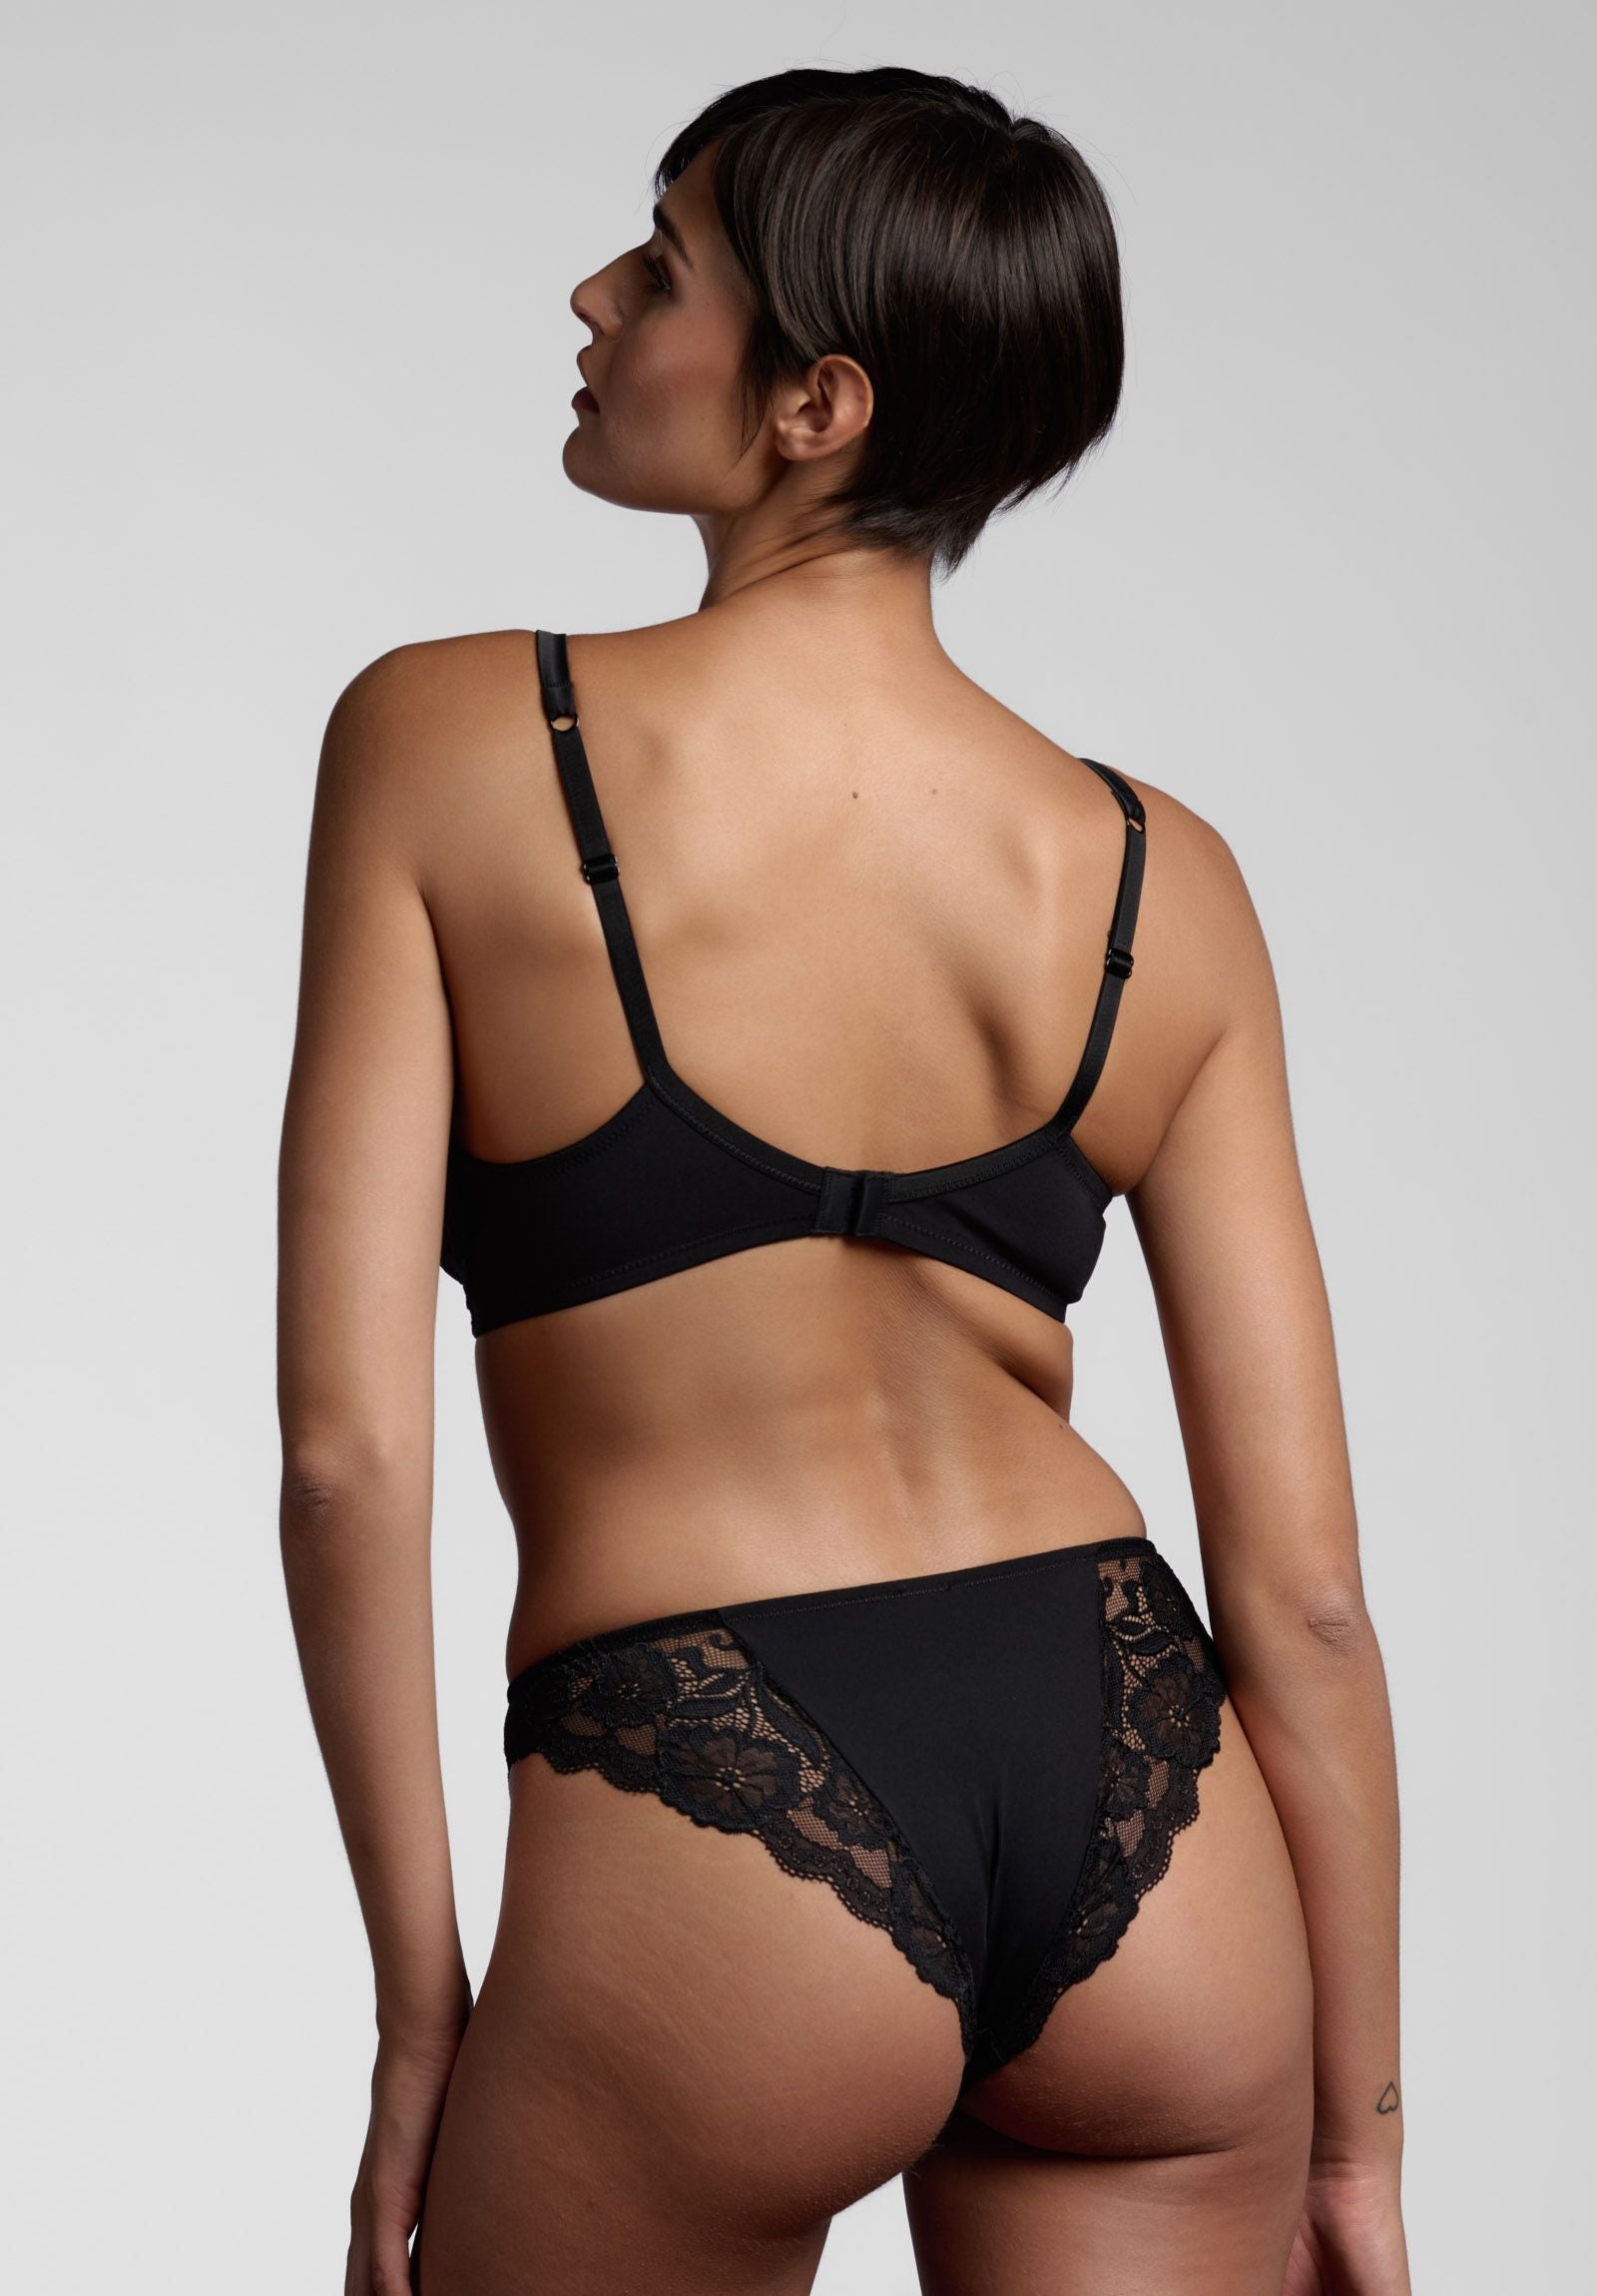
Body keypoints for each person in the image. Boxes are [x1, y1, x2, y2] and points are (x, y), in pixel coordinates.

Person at [276, 65, 1410, 2296]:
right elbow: (1303, 1602)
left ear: (818, 403)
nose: (593, 297)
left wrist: (420, 2004)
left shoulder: (446, 741)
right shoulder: (1159, 878)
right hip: (1144, 1806)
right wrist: (1356, 2142)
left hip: (708, 1790)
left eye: (662, 266)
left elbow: (347, 1459)